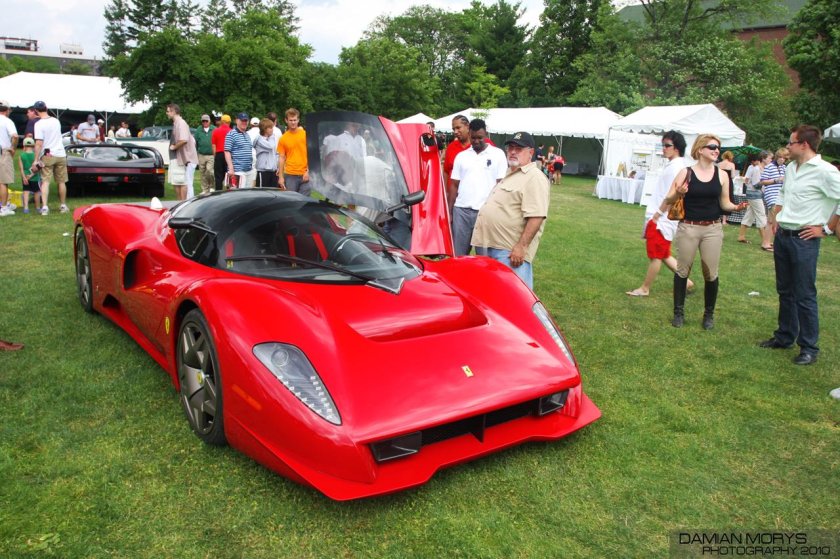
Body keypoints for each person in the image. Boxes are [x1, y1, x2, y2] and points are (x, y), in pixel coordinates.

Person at [760, 125, 840, 366]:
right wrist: (776, 215)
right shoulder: (791, 168)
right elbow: (784, 194)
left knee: (804, 294)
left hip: (805, 240)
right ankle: (784, 336)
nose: (788, 146)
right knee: (785, 290)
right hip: (784, 236)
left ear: (804, 145)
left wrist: (826, 229)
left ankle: (809, 347)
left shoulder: (825, 171)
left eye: (791, 142)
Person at [660, 134, 748, 329]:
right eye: (712, 147)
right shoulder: (686, 172)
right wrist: (679, 193)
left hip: (713, 229)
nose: (716, 150)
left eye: (718, 147)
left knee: (711, 273)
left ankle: (709, 315)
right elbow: (669, 199)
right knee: (682, 270)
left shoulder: (722, 175)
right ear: (700, 150)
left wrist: (736, 207)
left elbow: (724, 203)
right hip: (688, 227)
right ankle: (678, 313)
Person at [472, 131, 550, 290]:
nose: (513, 152)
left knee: (512, 296)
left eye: (518, 149)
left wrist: (521, 247)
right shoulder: (511, 173)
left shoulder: (534, 177)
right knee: (490, 293)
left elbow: (536, 216)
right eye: (511, 148)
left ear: (531, 152)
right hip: (490, 245)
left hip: (508, 252)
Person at [626, 131, 695, 297]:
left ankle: (645, 288)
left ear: (677, 148)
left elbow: (672, 195)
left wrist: (657, 215)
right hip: (663, 217)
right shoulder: (675, 165)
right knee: (663, 253)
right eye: (663, 145)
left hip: (662, 218)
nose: (663, 148)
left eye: (667, 145)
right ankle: (687, 282)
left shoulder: (676, 168)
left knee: (656, 255)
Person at [448, 118, 507, 256]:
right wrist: (450, 212)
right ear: (469, 134)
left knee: (484, 257)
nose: (476, 141)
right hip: (461, 211)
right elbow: (454, 185)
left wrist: (498, 212)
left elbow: (501, 185)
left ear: (486, 134)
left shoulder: (498, 154)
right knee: (458, 255)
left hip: (485, 212)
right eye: (473, 137)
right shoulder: (461, 156)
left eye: (480, 138)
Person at [31, 100, 69, 215]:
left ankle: (45, 207)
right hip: (60, 154)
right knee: (61, 182)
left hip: (48, 154)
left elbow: (39, 143)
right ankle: (63, 205)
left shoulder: (38, 124)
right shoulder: (56, 121)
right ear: (46, 108)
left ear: (36, 111)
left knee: (45, 181)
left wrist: (36, 160)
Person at [737, 152, 773, 251]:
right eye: (769, 158)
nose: (771, 160)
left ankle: (741, 236)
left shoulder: (762, 169)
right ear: (763, 159)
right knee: (761, 215)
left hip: (755, 194)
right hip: (754, 194)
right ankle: (765, 241)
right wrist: (770, 182)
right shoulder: (757, 169)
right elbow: (756, 184)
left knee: (750, 215)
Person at [166, 103, 198, 200]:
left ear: (174, 111)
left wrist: (174, 147)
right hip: (181, 159)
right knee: (178, 182)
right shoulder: (177, 123)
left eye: (168, 111)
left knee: (184, 183)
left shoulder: (181, 123)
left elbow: (184, 140)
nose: (167, 113)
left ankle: (184, 205)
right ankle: (181, 204)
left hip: (185, 160)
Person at [276, 108, 309, 194]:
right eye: (291, 120)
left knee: (304, 200)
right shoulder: (283, 138)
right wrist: (281, 177)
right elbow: (281, 158)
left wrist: (308, 171)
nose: (293, 122)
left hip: (305, 173)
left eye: (295, 120)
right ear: (286, 120)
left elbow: (312, 154)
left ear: (298, 120)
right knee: (291, 199)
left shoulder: (306, 135)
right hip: (290, 174)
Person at [224, 112, 254, 189]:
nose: (244, 122)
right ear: (237, 121)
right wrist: (231, 169)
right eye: (242, 120)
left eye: (245, 121)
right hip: (237, 171)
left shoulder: (247, 135)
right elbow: (227, 151)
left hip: (248, 171)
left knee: (247, 194)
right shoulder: (231, 134)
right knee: (236, 195)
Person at [443, 115, 471, 195]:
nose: (455, 132)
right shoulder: (451, 147)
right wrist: (445, 192)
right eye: (453, 129)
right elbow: (446, 171)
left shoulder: (480, 145)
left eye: (458, 128)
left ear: (467, 127)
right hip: (453, 196)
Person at [0, 100, 18, 216]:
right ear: (7, 110)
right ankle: (4, 207)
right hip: (3, 151)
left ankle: (4, 204)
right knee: (3, 181)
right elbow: (15, 136)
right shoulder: (7, 121)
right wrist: (13, 148)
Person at [760, 147, 787, 215]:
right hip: (772, 196)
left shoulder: (784, 167)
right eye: (780, 157)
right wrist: (776, 180)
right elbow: (762, 182)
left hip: (781, 197)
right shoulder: (769, 167)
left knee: (771, 219)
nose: (782, 159)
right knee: (775, 217)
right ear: (777, 157)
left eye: (784, 158)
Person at [17, 137, 41, 214]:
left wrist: (24, 178)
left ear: (24, 145)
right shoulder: (35, 156)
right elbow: (38, 168)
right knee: (36, 192)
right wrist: (31, 175)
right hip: (35, 177)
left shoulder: (21, 156)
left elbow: (21, 169)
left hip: (25, 177)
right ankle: (37, 207)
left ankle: (26, 208)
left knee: (26, 191)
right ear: (33, 146)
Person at [193, 114, 215, 194]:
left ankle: (212, 186)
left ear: (209, 121)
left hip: (211, 155)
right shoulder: (199, 129)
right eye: (203, 121)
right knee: (202, 172)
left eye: (206, 121)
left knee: (209, 171)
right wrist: (196, 152)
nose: (205, 122)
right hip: (201, 154)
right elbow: (195, 142)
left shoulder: (214, 129)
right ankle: (205, 189)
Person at [253, 118, 279, 188]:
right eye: (270, 128)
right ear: (264, 129)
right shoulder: (259, 139)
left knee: (274, 192)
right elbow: (270, 146)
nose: (272, 130)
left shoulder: (271, 138)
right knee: (262, 192)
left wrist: (278, 167)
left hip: (273, 171)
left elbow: (277, 154)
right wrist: (272, 137)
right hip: (263, 171)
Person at [211, 114, 231, 190]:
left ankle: (218, 192)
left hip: (219, 154)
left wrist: (215, 156)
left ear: (222, 121)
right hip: (229, 155)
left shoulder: (215, 131)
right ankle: (230, 191)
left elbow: (213, 145)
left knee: (218, 177)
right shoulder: (231, 131)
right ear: (229, 122)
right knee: (229, 175)